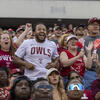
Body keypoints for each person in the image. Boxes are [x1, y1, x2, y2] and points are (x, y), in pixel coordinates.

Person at [83, 17, 100, 90]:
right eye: (93, 24)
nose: (95, 26)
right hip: (89, 73)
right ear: (88, 27)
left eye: (97, 24)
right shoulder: (83, 40)